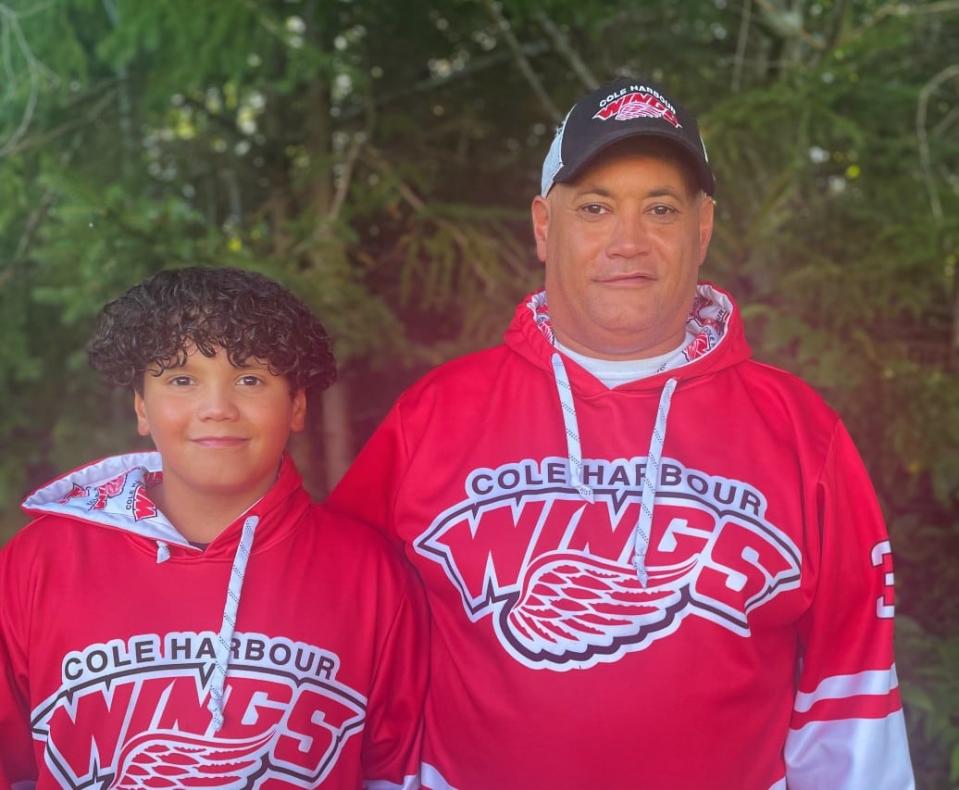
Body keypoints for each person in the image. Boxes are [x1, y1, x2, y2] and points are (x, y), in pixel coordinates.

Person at [328, 78, 915, 789]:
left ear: (701, 230)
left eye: (660, 209)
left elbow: (849, 685)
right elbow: (344, 636)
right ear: (545, 228)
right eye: (596, 208)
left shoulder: (798, 429)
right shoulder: (434, 415)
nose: (627, 242)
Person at [0, 267, 427, 789]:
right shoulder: (38, 564)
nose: (217, 408)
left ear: (296, 405)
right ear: (141, 406)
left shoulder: (370, 575)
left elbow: (396, 772)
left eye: (250, 379)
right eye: (181, 380)